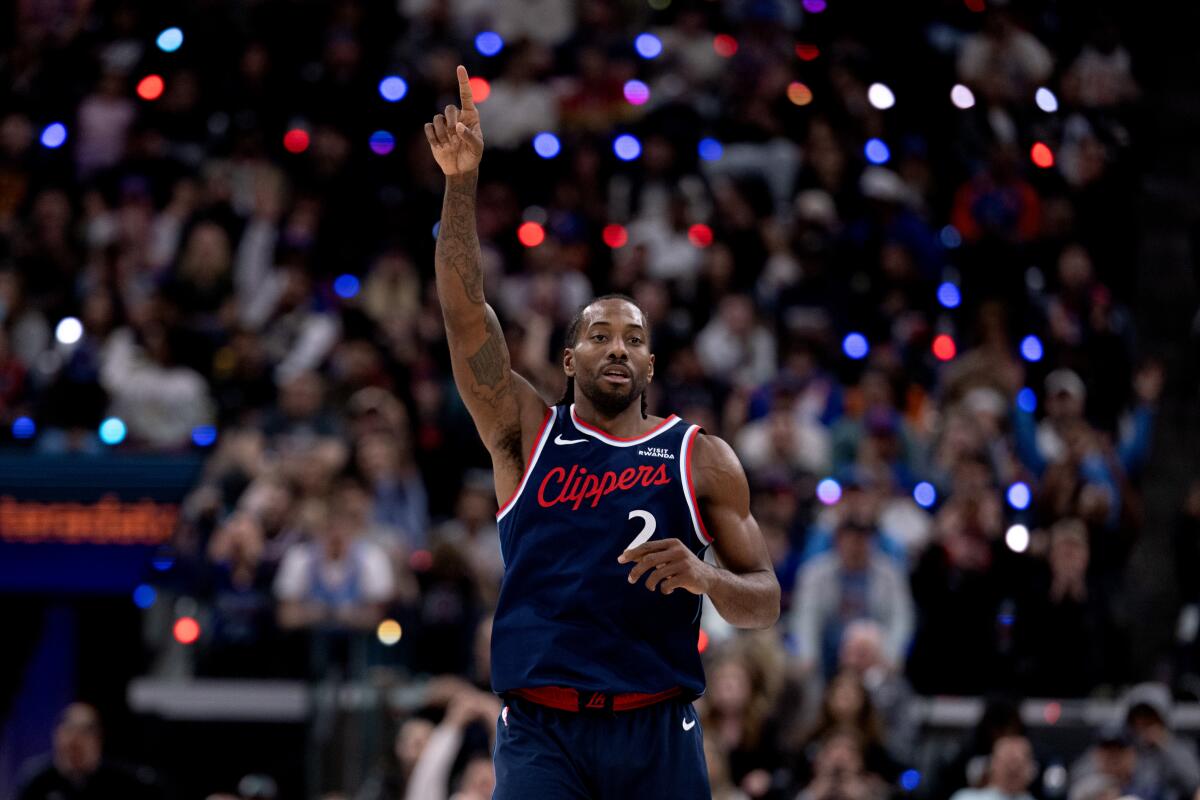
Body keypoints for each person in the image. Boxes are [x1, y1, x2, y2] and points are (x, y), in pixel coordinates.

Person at [423, 65, 780, 798]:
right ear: (568, 357)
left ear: (651, 362)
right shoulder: (524, 432)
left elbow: (766, 600)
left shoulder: (701, 457)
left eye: (633, 337)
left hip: (657, 729)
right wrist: (462, 184)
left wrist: (706, 577)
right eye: (599, 334)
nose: (617, 346)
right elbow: (465, 318)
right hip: (542, 729)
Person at [16, 703, 163, 800]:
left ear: (98, 739)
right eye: (70, 730)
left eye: (86, 732)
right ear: (57, 736)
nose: (76, 740)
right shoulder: (36, 780)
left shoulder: (122, 780)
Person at [949, 735, 1038, 800]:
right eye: (1007, 762)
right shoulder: (965, 798)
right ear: (992, 765)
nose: (1013, 768)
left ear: (1031, 768)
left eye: (1019, 763)